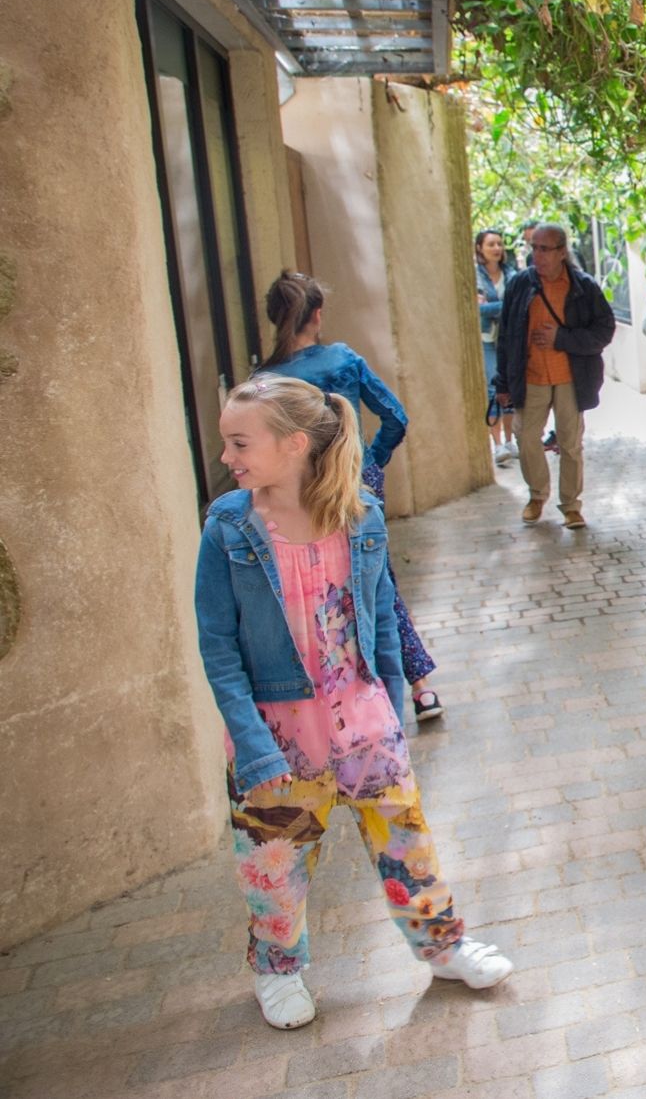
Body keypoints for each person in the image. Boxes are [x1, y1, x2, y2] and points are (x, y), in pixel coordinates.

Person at [195, 375, 511, 1030]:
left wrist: (391, 713)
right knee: (274, 863)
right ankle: (276, 970)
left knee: (407, 843)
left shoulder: (360, 518)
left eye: (239, 442)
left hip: (363, 724)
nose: (226, 456)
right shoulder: (229, 527)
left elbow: (383, 622)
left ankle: (444, 949)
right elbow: (219, 647)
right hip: (276, 738)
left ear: (293, 446)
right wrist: (251, 742)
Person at [262, 271, 445, 724]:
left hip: (302, 497)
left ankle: (360, 699)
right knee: (375, 582)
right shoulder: (342, 359)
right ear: (318, 315)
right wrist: (368, 465)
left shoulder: (264, 381)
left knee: (330, 589)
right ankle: (412, 691)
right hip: (355, 486)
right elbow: (395, 417)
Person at [493, 223, 616, 529]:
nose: (537, 255)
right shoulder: (521, 284)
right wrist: (503, 383)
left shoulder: (583, 287)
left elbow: (604, 331)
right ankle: (537, 496)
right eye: (533, 248)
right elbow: (506, 335)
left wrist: (562, 338)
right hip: (531, 376)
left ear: (562, 252)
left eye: (544, 248)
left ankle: (571, 505)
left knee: (570, 443)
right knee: (525, 436)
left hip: (570, 378)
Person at [475, 229, 519, 466]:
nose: (496, 248)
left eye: (499, 244)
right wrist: (504, 306)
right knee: (493, 389)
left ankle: (510, 440)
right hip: (487, 339)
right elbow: (478, 310)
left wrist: (494, 306)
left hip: (509, 339)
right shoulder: (476, 276)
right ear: (480, 248)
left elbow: (519, 305)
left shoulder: (511, 273)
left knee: (510, 391)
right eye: (491, 244)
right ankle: (497, 443)